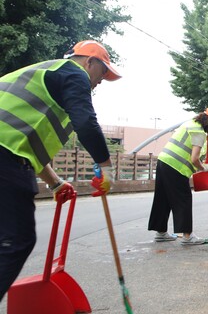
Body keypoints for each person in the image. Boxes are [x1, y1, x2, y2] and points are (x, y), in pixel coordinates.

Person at [0, 40, 120, 301]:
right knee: (16, 241)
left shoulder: (47, 76)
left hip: (7, 155)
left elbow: (23, 144)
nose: (100, 82)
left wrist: (55, 183)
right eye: (103, 73)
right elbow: (86, 123)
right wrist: (106, 168)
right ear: (89, 62)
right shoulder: (73, 73)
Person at [148, 107, 208, 245]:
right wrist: (204, 168)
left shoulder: (189, 124)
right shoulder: (199, 131)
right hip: (176, 167)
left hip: (164, 161)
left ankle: (161, 232)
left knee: (162, 198)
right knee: (183, 199)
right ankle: (188, 236)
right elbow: (194, 158)